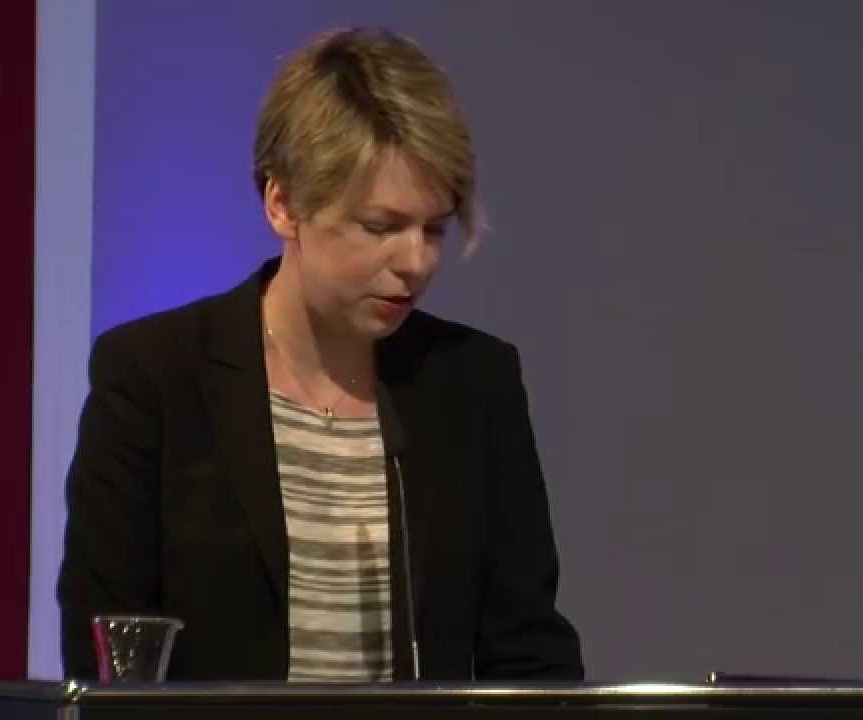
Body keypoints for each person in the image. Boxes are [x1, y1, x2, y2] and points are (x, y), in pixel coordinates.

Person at [57, 27, 583, 683]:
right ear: (283, 202)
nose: (415, 262)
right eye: (381, 226)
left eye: (434, 229)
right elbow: (107, 660)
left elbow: (531, 659)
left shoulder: (474, 385)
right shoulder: (154, 378)